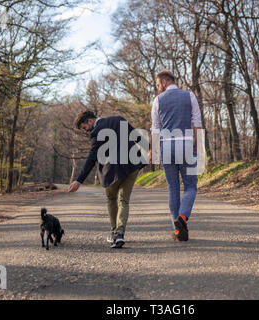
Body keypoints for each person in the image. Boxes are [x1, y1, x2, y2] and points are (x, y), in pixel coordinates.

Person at [68, 111, 146, 248]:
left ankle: (115, 233)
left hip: (111, 173)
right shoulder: (119, 119)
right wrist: (150, 151)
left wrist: (79, 180)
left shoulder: (96, 133)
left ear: (90, 121)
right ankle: (120, 234)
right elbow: (138, 137)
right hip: (132, 167)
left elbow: (92, 158)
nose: (85, 132)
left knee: (111, 199)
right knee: (124, 201)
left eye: (84, 128)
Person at [149, 70, 203, 241]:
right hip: (186, 144)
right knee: (190, 186)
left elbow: (155, 128)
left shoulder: (158, 100)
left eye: (158, 85)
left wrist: (153, 150)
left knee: (173, 188)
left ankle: (178, 230)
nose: (158, 88)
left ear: (165, 82)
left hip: (166, 146)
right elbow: (198, 123)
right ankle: (183, 217)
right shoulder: (190, 96)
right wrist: (199, 146)